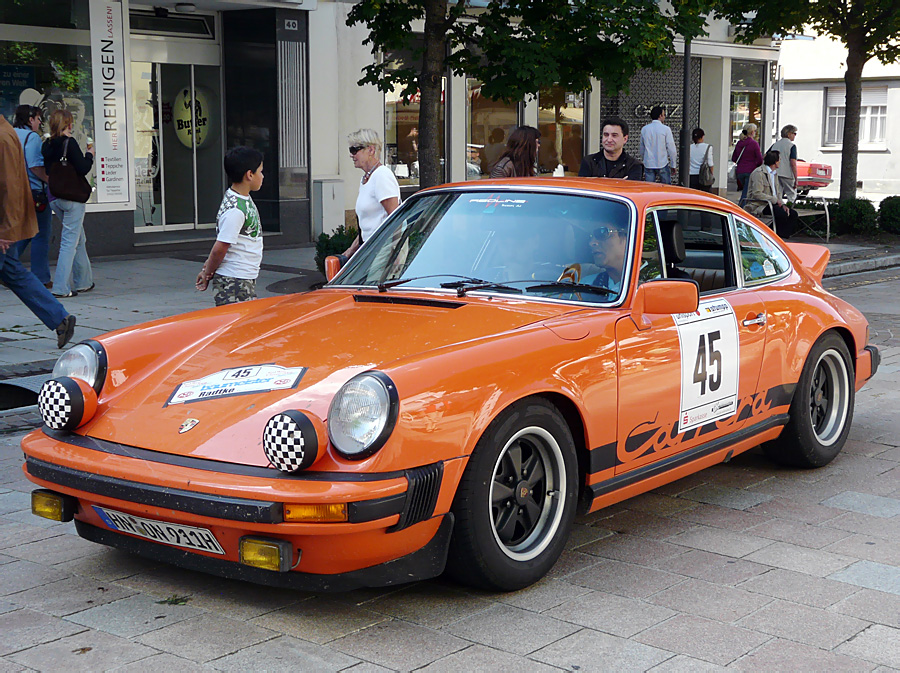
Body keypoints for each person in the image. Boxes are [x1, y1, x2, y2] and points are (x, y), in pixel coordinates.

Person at [1, 114, 76, 348]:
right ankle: (59, 318)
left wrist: (5, 229)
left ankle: (59, 317)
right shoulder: (7, 133)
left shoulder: (3, 137)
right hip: (8, 222)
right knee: (13, 272)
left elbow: (8, 186)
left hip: (5, 225)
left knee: (15, 270)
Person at [196, 146, 265, 306]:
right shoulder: (235, 210)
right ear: (249, 174)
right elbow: (220, 247)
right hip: (234, 281)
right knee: (238, 327)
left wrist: (206, 268)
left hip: (242, 278)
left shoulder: (241, 199)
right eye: (260, 171)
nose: (262, 176)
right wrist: (207, 273)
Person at [42, 109, 94, 298]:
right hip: (72, 198)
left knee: (79, 238)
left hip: (54, 197)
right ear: (68, 124)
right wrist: (90, 154)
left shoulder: (47, 145)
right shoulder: (68, 143)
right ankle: (61, 287)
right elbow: (83, 168)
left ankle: (84, 282)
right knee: (69, 243)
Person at [342, 129, 401, 260]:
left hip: (383, 251)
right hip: (370, 249)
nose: (351, 155)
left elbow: (396, 218)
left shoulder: (382, 175)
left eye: (354, 150)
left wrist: (395, 257)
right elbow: (368, 226)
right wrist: (350, 251)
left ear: (371, 150)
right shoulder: (366, 179)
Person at [10, 105, 52, 288]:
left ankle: (6, 267)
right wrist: (50, 180)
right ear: (29, 119)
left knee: (23, 232)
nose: (40, 122)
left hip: (13, 191)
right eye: (37, 118)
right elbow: (35, 166)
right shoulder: (31, 137)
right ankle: (41, 277)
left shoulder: (9, 134)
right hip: (34, 193)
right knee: (40, 234)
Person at [745, 150, 799, 239]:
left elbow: (778, 193)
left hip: (773, 204)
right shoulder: (759, 173)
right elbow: (757, 193)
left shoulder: (774, 174)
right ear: (774, 161)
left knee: (792, 214)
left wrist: (783, 204)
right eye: (779, 160)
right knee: (781, 214)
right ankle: (772, 235)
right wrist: (774, 200)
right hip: (760, 204)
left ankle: (782, 236)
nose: (780, 162)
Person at [579, 116, 643, 180]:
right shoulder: (589, 162)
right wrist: (618, 183)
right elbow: (583, 186)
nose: (609, 140)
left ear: (625, 139)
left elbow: (631, 189)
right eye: (606, 135)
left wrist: (597, 181)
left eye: (614, 135)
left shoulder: (634, 166)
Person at [582, 220, 629, 294]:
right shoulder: (585, 285)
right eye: (590, 236)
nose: (591, 243)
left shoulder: (651, 284)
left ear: (628, 237)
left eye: (602, 233)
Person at [639, 105, 677, 184]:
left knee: (649, 189)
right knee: (666, 189)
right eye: (664, 114)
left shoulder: (645, 129)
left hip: (648, 163)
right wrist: (673, 164)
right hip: (662, 162)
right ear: (660, 116)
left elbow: (642, 148)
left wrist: (644, 158)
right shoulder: (666, 129)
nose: (664, 116)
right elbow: (671, 148)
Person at [732, 123, 764, 207]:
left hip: (740, 172)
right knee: (746, 193)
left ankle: (747, 207)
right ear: (752, 132)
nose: (755, 133)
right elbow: (760, 159)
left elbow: (734, 158)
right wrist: (756, 165)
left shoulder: (739, 143)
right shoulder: (754, 144)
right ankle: (741, 209)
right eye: (755, 131)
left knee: (746, 191)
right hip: (750, 171)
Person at [769, 124, 799, 201]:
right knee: (791, 194)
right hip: (787, 174)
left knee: (778, 194)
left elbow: (765, 156)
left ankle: (779, 209)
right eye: (794, 133)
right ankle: (790, 210)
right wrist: (796, 177)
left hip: (775, 173)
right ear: (789, 134)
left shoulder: (775, 145)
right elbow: (793, 163)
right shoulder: (792, 146)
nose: (795, 136)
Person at [688, 128, 714, 193]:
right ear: (702, 137)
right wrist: (711, 174)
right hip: (704, 176)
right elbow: (710, 163)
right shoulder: (708, 147)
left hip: (692, 175)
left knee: (693, 196)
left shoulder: (689, 147)